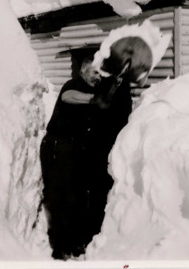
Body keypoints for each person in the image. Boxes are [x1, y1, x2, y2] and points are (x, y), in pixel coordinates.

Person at [40, 53, 132, 260]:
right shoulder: (72, 85)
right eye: (94, 72)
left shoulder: (94, 91)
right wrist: (95, 99)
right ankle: (59, 249)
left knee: (77, 195)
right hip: (58, 145)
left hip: (75, 148)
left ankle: (75, 243)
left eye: (100, 74)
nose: (97, 77)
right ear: (82, 69)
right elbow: (68, 97)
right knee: (60, 195)